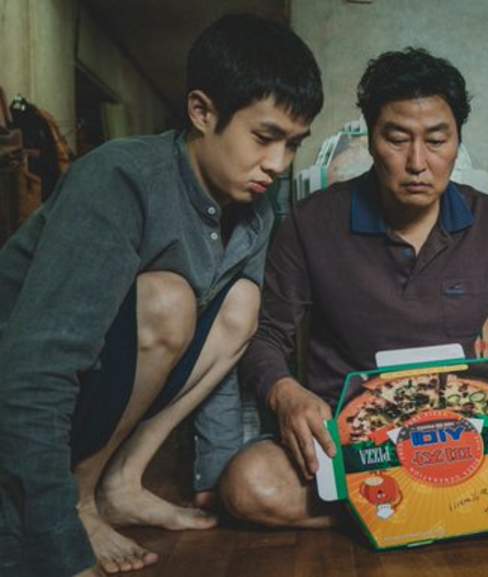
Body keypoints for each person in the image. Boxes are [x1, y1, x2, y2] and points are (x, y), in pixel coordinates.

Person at [218, 47, 488, 526]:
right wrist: (285, 394)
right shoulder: (312, 222)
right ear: (371, 139)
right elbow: (267, 336)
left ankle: (393, 507)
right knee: (249, 484)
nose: (418, 162)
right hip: (357, 439)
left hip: (464, 429)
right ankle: (477, 497)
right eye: (398, 139)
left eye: (437, 140)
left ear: (458, 140)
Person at [0, 14, 322, 576]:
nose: (278, 164)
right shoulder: (118, 179)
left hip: (92, 395)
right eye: (264, 138)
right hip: (19, 399)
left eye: (293, 144)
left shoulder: (256, 211)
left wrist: (218, 476)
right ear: (202, 112)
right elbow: (34, 372)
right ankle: (80, 499)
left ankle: (120, 483)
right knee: (169, 299)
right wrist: (60, 542)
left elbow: (226, 353)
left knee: (242, 306)